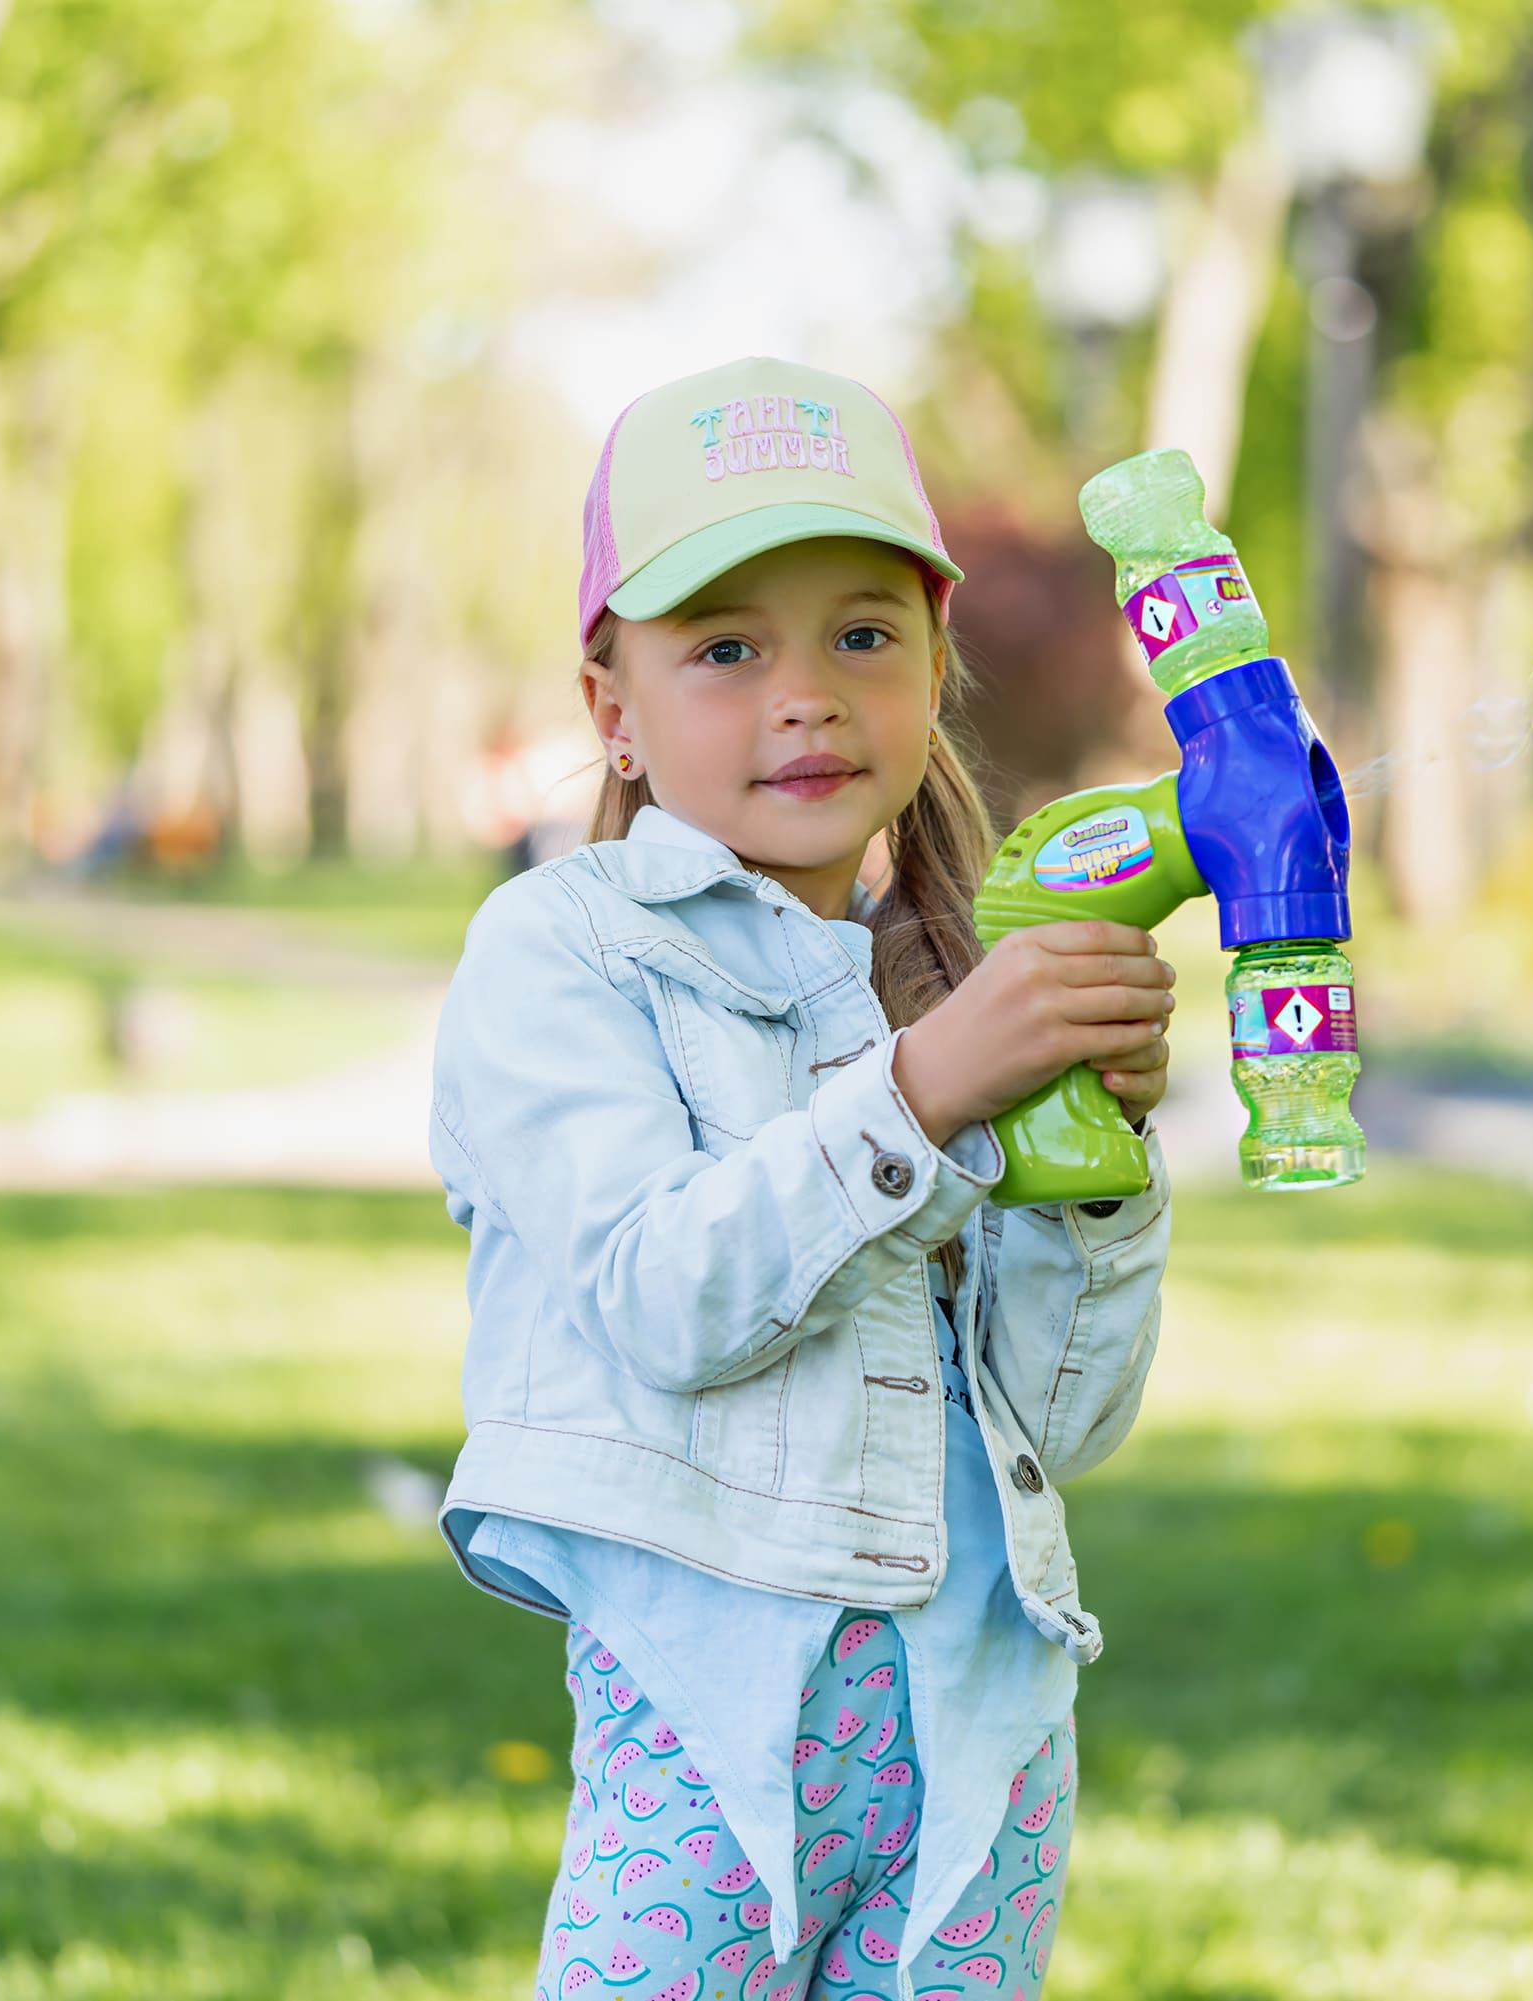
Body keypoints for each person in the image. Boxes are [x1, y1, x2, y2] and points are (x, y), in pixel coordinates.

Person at [429, 355, 1178, 2001]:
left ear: (931, 666)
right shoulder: (561, 954)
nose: (806, 693)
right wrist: (926, 1088)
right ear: (611, 701)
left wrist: (1094, 1175)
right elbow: (661, 1291)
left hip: (983, 1739)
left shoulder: (958, 973)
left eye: (861, 633)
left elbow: (1065, 1420)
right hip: (718, 1734)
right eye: (724, 647)